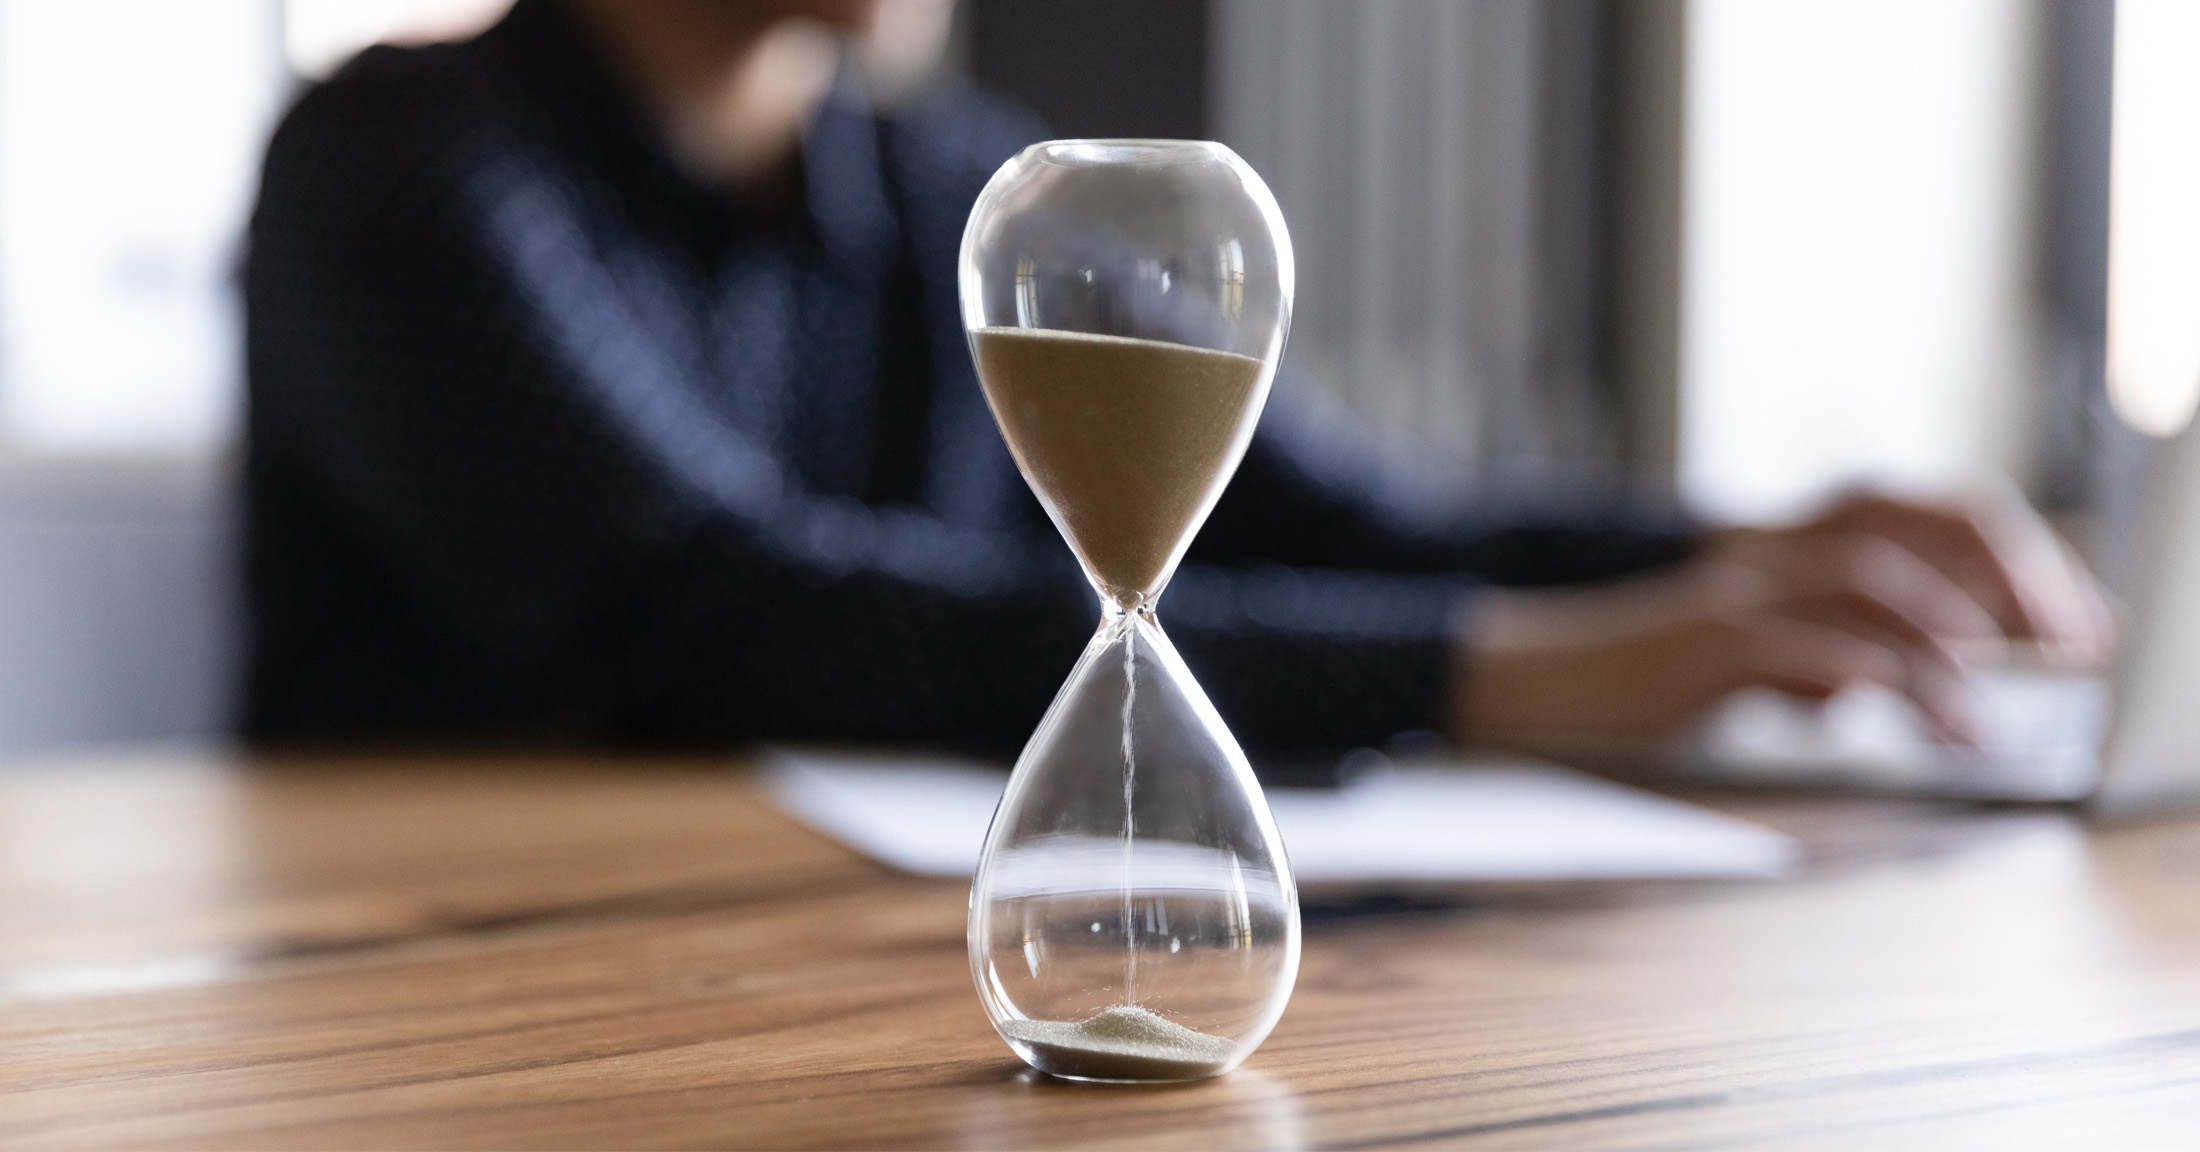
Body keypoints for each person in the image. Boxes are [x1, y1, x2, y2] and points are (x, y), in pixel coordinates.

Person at [243, 0, 2113, 771]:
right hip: (471, 979)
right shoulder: (396, 159)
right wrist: (1510, 673)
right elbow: (715, 612)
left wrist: (1743, 559)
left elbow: (1344, 520)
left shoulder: (955, 185)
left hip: (850, 937)